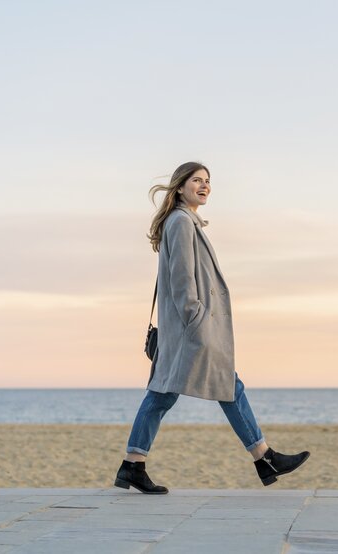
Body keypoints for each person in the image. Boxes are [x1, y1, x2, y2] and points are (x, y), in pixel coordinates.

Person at [115, 161, 310, 494]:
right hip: (192, 330)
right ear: (179, 186)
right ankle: (264, 457)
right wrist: (198, 319)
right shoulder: (180, 222)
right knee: (226, 387)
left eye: (208, 181)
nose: (204, 186)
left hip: (186, 329)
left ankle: (133, 465)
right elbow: (181, 280)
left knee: (166, 394)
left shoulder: (186, 221)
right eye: (196, 180)